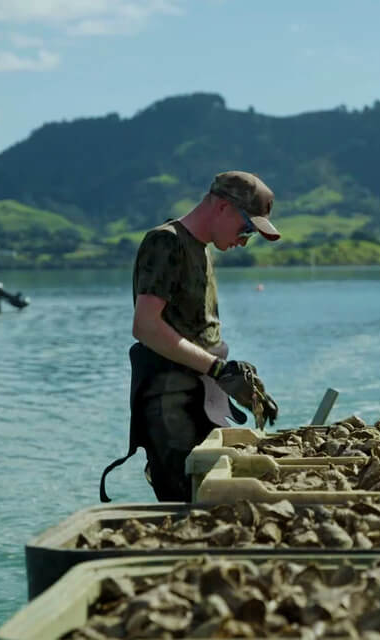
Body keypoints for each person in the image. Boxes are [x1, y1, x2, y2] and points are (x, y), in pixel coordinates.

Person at [100, 171, 281, 503]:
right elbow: (146, 326)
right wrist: (218, 369)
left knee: (218, 502)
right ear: (223, 208)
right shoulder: (166, 241)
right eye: (247, 228)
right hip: (170, 405)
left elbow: (196, 331)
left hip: (200, 400)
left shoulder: (202, 248)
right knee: (189, 505)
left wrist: (235, 377)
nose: (245, 240)